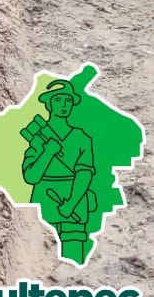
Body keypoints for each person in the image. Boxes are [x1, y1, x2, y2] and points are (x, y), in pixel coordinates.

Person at [20, 79, 100, 265]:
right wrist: (48, 153)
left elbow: (84, 173)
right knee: (34, 256)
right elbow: (30, 176)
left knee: (73, 257)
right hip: (44, 197)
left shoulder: (81, 138)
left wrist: (71, 204)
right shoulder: (37, 137)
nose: (63, 105)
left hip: (76, 198)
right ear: (49, 104)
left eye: (67, 100)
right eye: (58, 100)